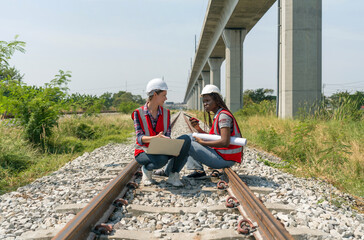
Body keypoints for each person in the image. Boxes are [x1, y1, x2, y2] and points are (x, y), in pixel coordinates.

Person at [131, 78, 191, 186]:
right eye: (164, 95)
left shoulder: (166, 113)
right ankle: (146, 170)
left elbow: (167, 135)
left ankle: (173, 176)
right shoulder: (138, 113)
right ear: (155, 94)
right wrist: (155, 138)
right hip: (144, 151)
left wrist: (171, 144)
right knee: (161, 160)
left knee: (186, 140)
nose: (166, 98)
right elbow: (139, 138)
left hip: (161, 149)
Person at [185, 84, 243, 178]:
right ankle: (198, 171)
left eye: (207, 100)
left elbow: (224, 142)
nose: (205, 104)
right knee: (191, 136)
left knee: (187, 142)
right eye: (203, 101)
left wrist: (202, 143)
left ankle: (171, 172)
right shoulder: (219, 114)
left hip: (224, 159)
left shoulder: (223, 116)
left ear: (216, 100)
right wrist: (198, 129)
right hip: (223, 156)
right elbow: (213, 138)